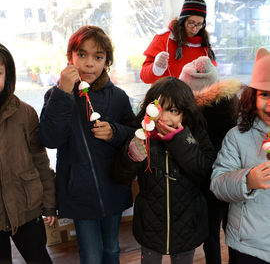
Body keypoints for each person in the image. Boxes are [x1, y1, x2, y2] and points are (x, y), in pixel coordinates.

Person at [39, 25, 135, 264]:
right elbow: (49, 139)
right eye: (82, 55)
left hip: (113, 187)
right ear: (70, 57)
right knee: (90, 256)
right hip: (78, 192)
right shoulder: (56, 95)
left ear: (106, 62)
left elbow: (135, 134)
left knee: (112, 249)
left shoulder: (118, 96)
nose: (89, 63)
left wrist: (115, 131)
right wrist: (63, 93)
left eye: (98, 57)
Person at [113, 76, 215, 264]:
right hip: (150, 225)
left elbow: (206, 172)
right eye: (160, 109)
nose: (164, 117)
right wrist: (131, 156)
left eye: (173, 110)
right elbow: (120, 176)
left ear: (185, 113)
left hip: (187, 224)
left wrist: (181, 140)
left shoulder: (196, 134)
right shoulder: (141, 134)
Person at [210, 47, 270, 263]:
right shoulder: (237, 137)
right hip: (248, 245)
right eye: (265, 94)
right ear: (253, 97)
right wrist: (248, 180)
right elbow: (218, 184)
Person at [180, 56, 241, 264]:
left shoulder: (190, 114)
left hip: (207, 182)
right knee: (232, 231)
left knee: (211, 234)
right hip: (234, 179)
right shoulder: (233, 105)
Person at [0, 43, 56, 264]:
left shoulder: (25, 113)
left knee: (39, 258)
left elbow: (41, 160)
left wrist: (49, 202)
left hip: (27, 207)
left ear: (8, 74)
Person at [140, 0, 216, 85]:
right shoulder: (164, 38)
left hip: (193, 98)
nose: (194, 29)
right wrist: (156, 67)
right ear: (183, 20)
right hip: (163, 97)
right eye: (191, 23)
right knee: (155, 100)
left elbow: (213, 76)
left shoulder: (204, 43)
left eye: (199, 24)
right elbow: (144, 77)